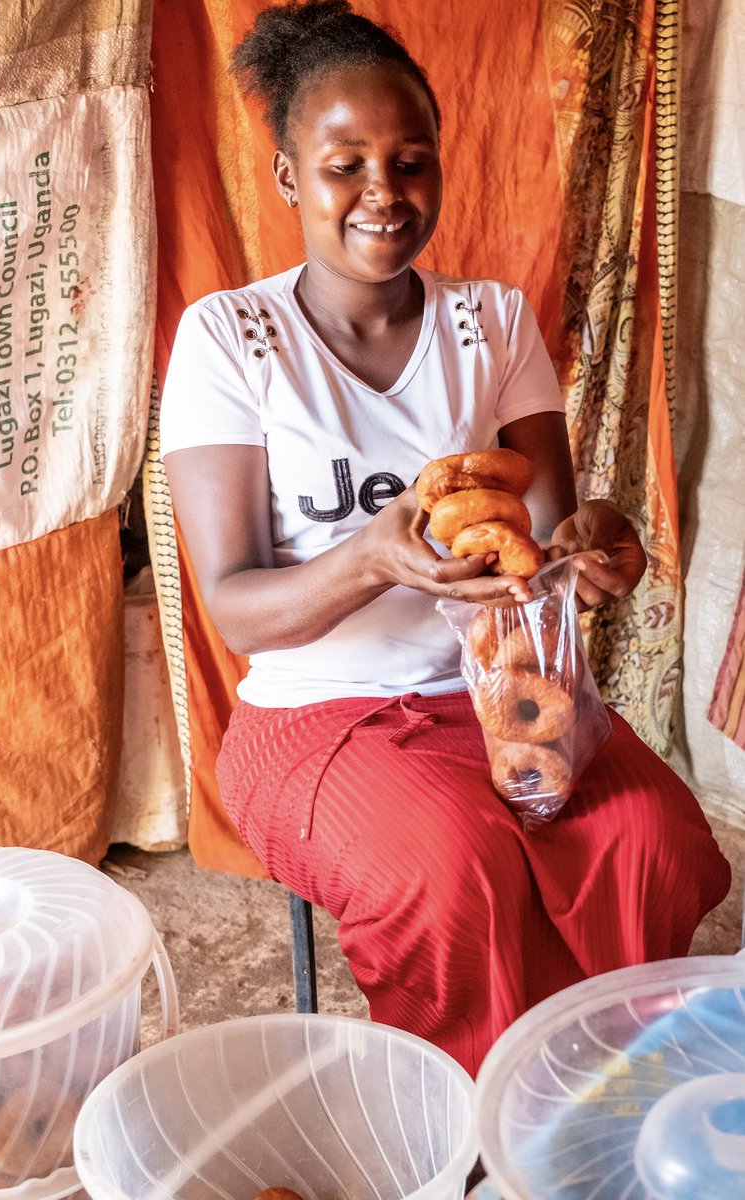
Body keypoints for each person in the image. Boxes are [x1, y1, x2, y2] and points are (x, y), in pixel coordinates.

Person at [161, 0, 730, 1078]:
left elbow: (559, 539)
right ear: (290, 178)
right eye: (344, 165)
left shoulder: (491, 322)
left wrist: (598, 551)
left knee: (651, 841)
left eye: (409, 160)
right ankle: (471, 1127)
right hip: (316, 718)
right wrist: (372, 555)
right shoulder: (232, 339)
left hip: (501, 688)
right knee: (454, 865)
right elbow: (235, 603)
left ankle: (599, 1087)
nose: (383, 192)